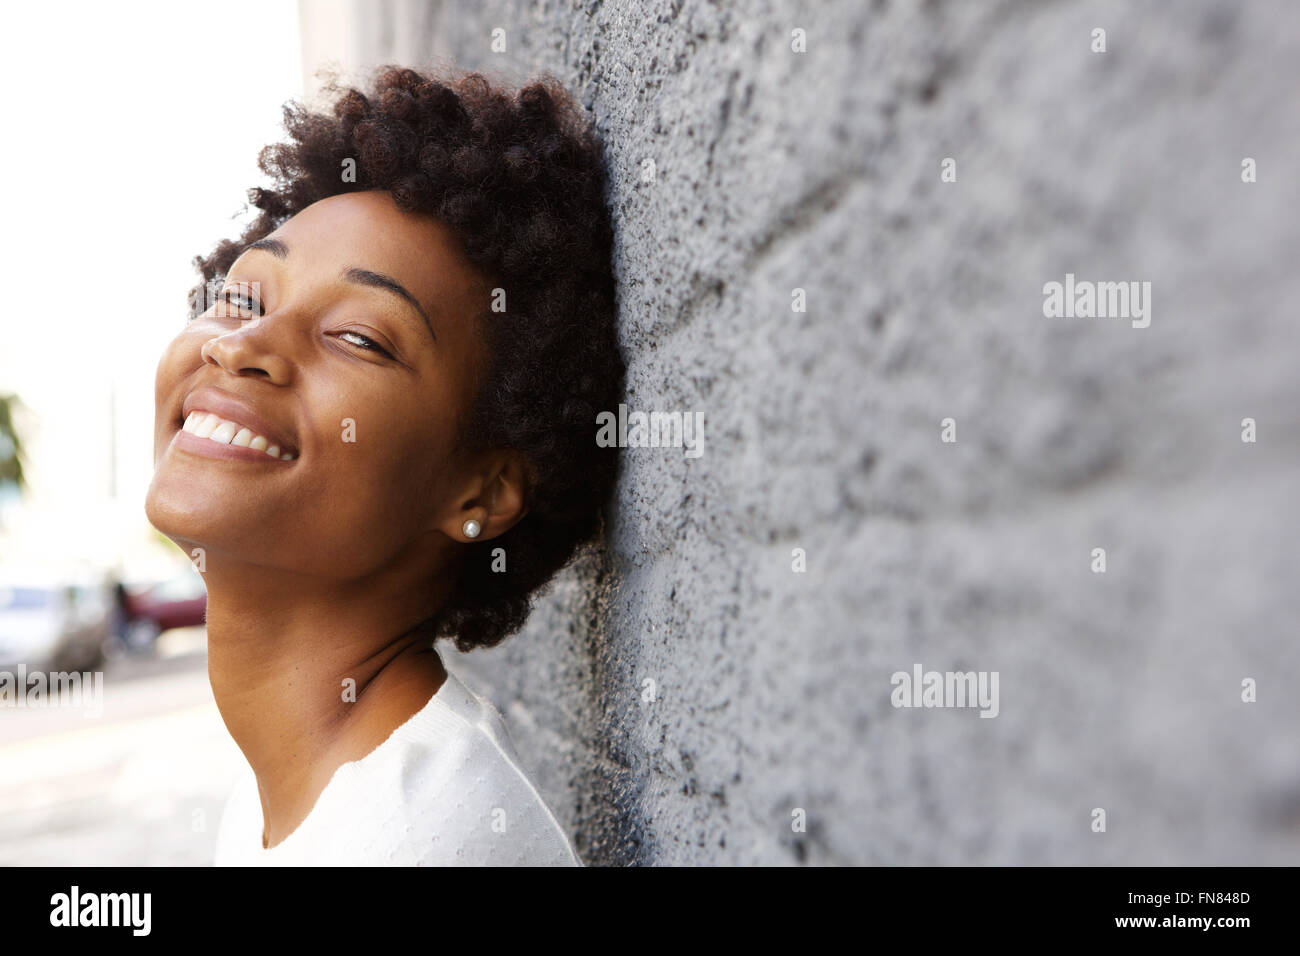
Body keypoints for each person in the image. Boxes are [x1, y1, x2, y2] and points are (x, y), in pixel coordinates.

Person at [144, 65, 623, 865]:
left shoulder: (411, 840)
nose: (241, 345)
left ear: (484, 489)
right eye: (243, 297)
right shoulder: (301, 800)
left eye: (360, 337)